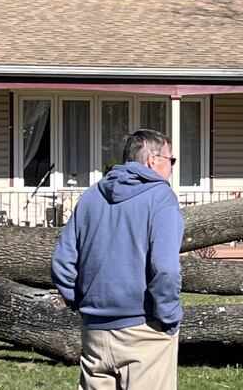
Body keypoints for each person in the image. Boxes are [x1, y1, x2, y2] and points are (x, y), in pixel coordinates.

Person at [51, 129, 184, 390]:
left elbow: (62, 263)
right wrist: (169, 317)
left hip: (95, 333)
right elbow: (166, 269)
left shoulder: (91, 196)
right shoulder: (161, 197)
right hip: (144, 329)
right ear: (152, 160)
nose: (171, 167)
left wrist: (82, 303)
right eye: (171, 160)